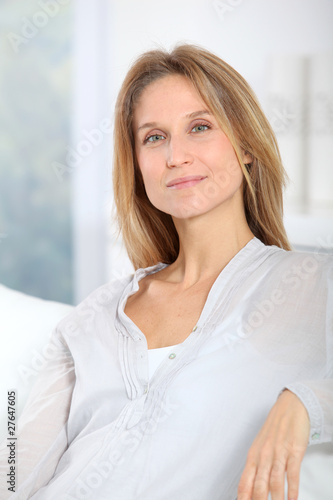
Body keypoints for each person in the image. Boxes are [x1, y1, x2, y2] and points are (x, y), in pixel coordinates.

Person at [0, 43, 332, 500]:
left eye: (199, 127)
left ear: (248, 146)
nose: (176, 156)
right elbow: (15, 470)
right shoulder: (96, 314)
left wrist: (306, 403)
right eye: (154, 137)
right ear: (137, 166)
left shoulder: (314, 284)